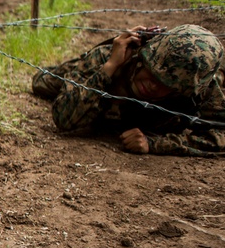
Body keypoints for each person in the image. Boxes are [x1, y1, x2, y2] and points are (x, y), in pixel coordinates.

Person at [31, 25, 225, 156]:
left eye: (165, 84)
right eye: (152, 73)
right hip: (104, 69)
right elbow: (63, 118)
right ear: (144, 57)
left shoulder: (201, 88)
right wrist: (108, 69)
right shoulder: (113, 57)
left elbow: (220, 135)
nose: (152, 85)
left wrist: (154, 143)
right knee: (42, 82)